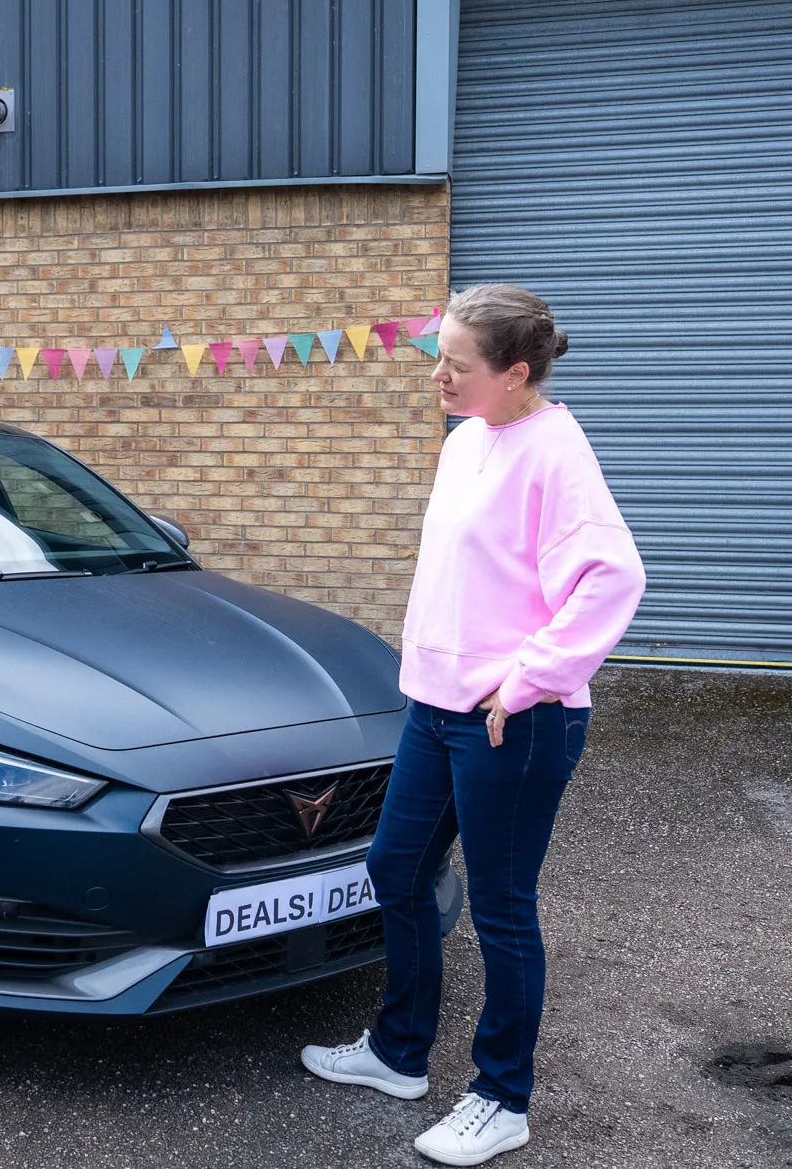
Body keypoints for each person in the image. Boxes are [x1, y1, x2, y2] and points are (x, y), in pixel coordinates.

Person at [299, 284, 645, 1165]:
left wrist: (524, 681)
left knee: (500, 907)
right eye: (438, 353)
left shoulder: (556, 452)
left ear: (516, 372)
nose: (439, 374)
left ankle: (501, 1097)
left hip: (513, 722)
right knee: (395, 868)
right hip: (437, 706)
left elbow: (613, 578)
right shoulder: (466, 442)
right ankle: (397, 1052)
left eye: (458, 362)